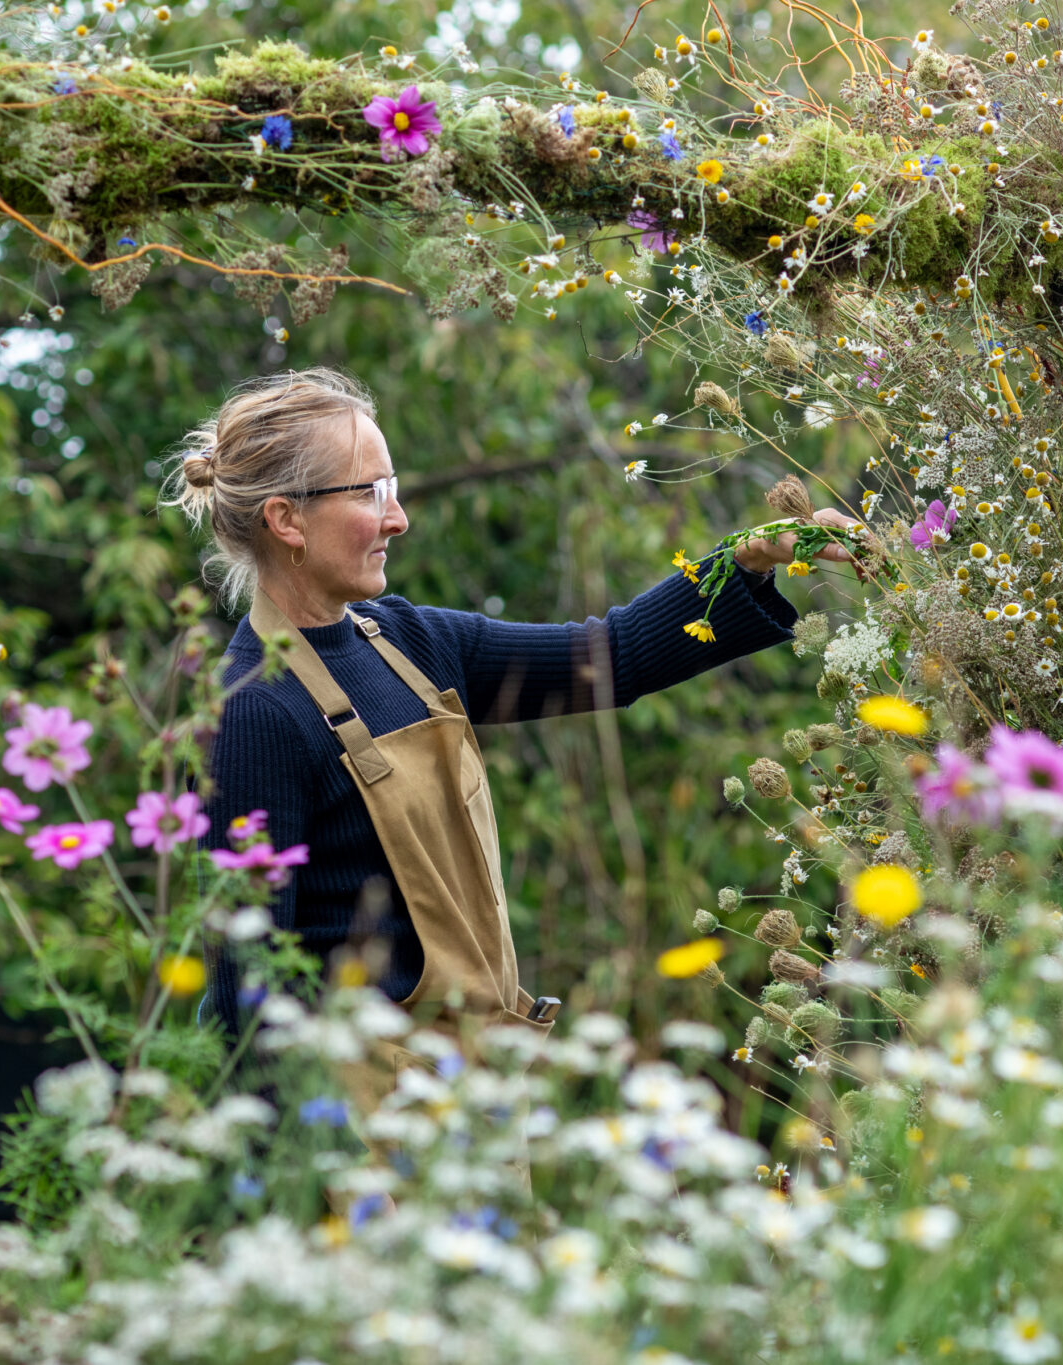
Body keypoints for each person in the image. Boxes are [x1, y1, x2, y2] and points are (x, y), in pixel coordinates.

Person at [168, 368, 856, 1091]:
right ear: (286, 519)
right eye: (369, 492)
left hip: (474, 1098)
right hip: (354, 1134)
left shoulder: (409, 641)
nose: (398, 517)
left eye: (392, 485)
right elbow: (245, 1002)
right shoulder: (251, 711)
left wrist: (747, 559)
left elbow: (610, 657)